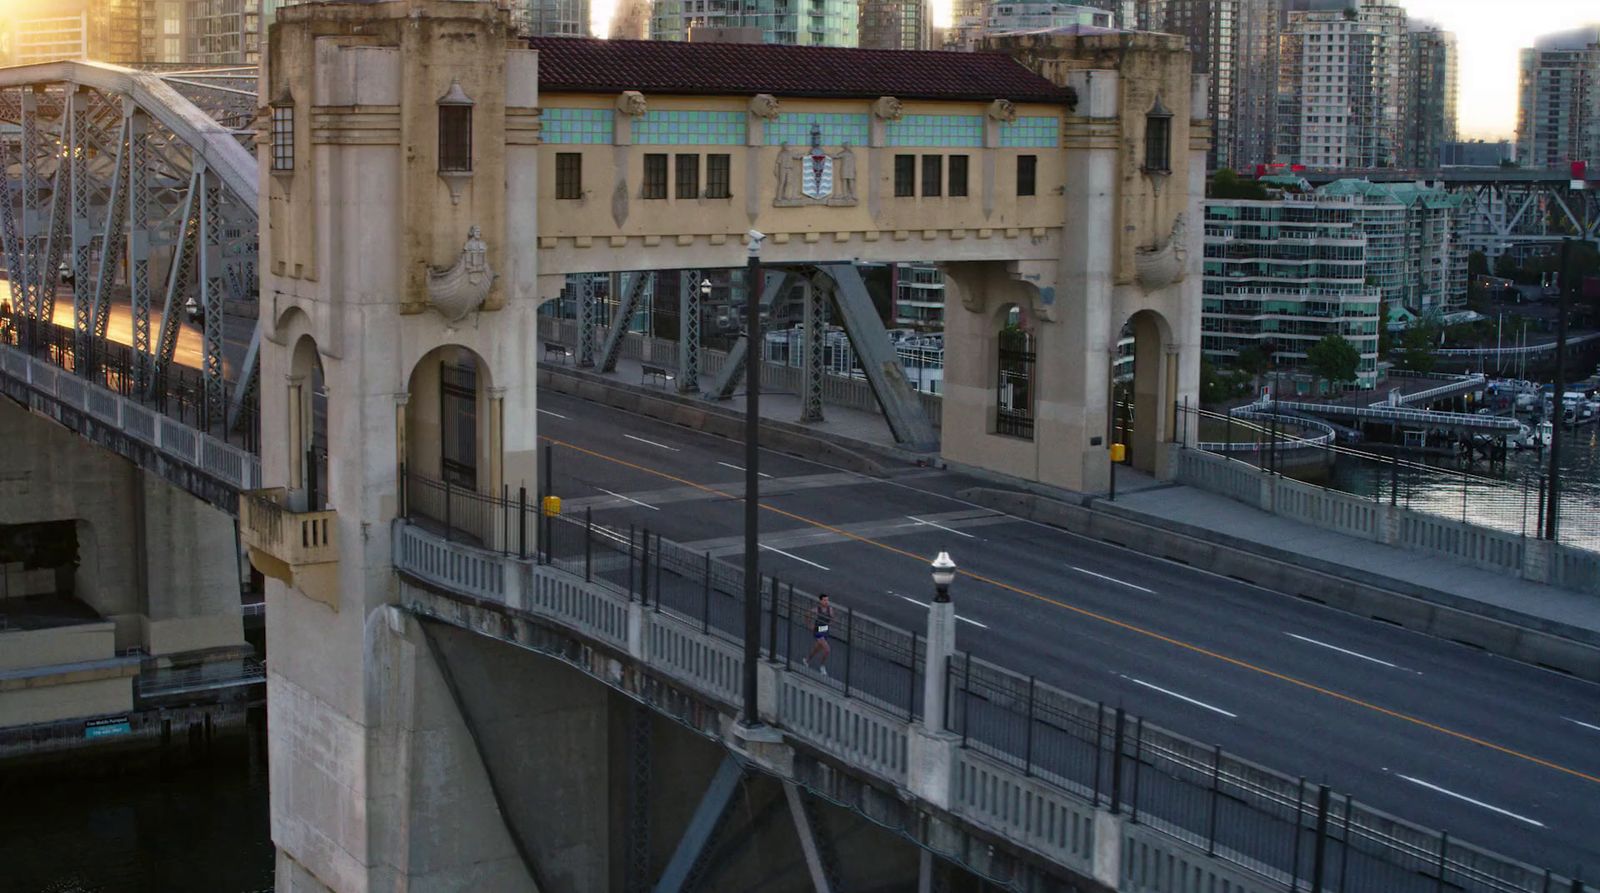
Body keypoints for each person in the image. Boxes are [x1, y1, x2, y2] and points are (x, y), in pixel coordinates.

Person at [806, 593, 834, 675]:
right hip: (818, 630)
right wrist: (810, 625)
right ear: (820, 601)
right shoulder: (817, 609)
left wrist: (829, 625)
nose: (826, 602)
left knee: (817, 648)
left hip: (825, 630)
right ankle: (822, 666)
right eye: (824, 600)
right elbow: (807, 614)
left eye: (827, 600)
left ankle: (807, 660)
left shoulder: (830, 609)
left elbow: (832, 618)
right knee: (827, 649)